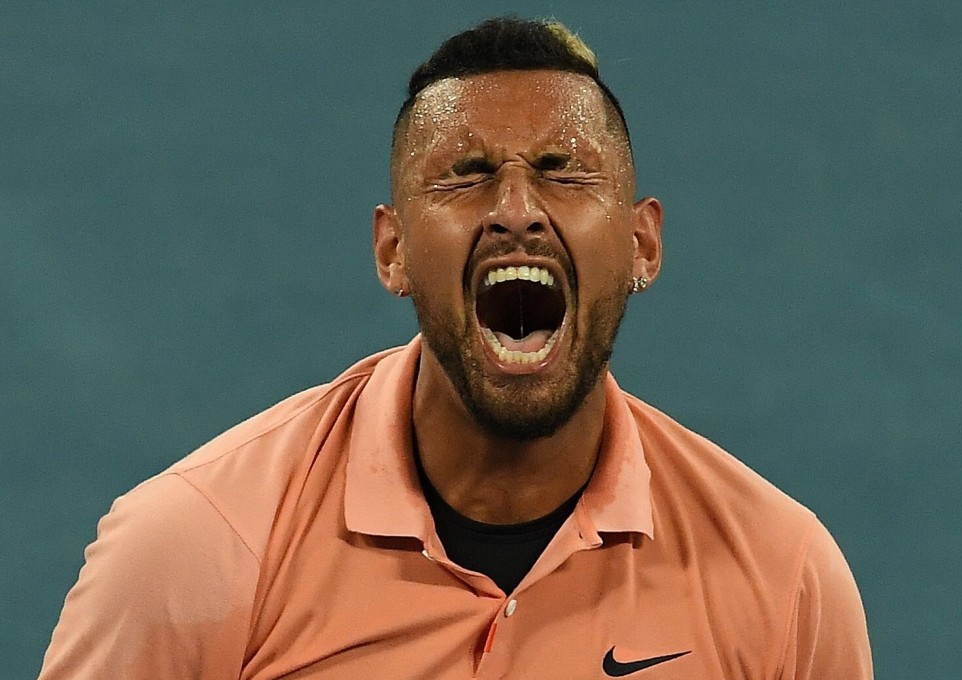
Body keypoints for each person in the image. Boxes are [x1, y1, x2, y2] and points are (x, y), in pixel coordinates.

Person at [39, 17, 873, 679]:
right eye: (466, 174)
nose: (516, 208)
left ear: (642, 245)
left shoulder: (782, 576)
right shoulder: (194, 547)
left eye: (564, 170)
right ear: (392, 252)